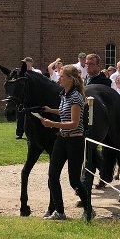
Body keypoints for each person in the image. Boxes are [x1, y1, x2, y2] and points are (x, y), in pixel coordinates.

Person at [40, 64, 89, 221]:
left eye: (62, 76)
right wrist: (51, 110)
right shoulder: (64, 95)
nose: (59, 78)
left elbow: (74, 123)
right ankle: (59, 211)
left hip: (75, 141)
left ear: (71, 79)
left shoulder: (76, 97)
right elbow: (64, 111)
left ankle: (88, 209)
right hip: (62, 139)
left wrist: (51, 124)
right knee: (52, 175)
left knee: (74, 180)